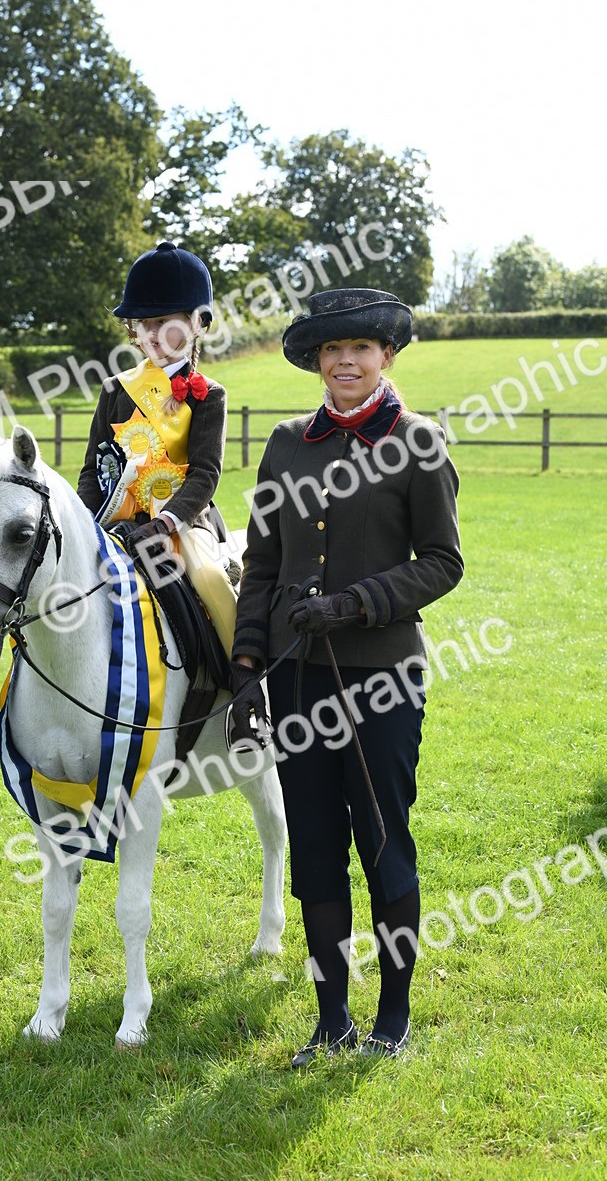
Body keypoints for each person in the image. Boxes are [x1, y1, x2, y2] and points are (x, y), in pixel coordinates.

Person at [230, 288, 464, 1066]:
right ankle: (331, 1021)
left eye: (360, 348)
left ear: (386, 356)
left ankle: (392, 1017)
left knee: (383, 842)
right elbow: (262, 565)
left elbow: (444, 562)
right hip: (298, 679)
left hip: (382, 679)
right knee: (316, 846)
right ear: (317, 361)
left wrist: (357, 602)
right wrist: (247, 668)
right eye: (332, 350)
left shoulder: (420, 443)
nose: (345, 362)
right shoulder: (285, 444)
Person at [77, 241, 237, 657]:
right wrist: (85, 523)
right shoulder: (115, 389)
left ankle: (243, 676)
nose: (150, 334)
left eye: (163, 321)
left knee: (213, 583)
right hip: (113, 521)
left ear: (197, 323)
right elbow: (92, 469)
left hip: (182, 523)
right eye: (143, 323)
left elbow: (206, 473)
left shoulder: (209, 395)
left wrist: (166, 522)